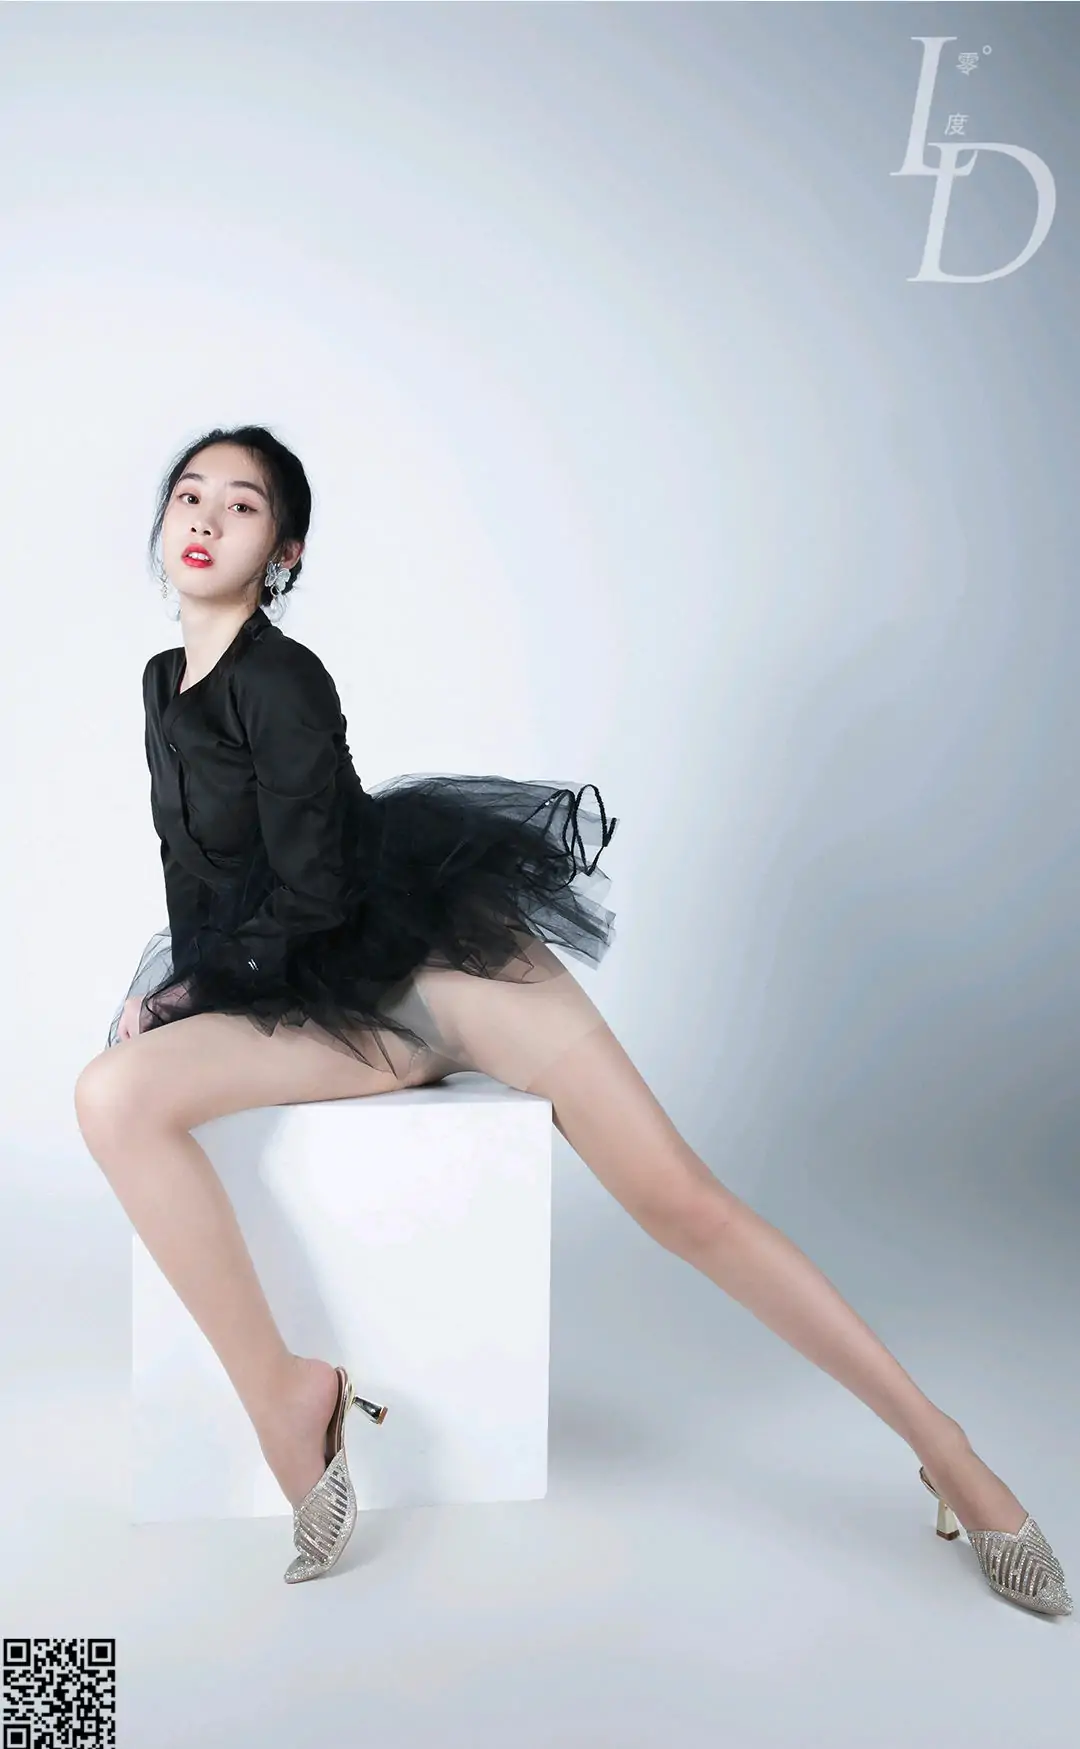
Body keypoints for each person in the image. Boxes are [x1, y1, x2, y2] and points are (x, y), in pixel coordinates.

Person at [74, 426, 1072, 1607]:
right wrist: (172, 983)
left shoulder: (282, 681)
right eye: (189, 494)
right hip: (337, 1014)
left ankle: (946, 1449)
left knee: (679, 1201)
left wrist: (196, 990)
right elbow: (200, 874)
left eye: (241, 506)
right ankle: (289, 1399)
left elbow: (317, 895)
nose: (204, 518)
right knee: (112, 1097)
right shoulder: (162, 683)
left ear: (283, 551)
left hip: (444, 974)